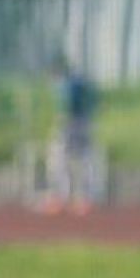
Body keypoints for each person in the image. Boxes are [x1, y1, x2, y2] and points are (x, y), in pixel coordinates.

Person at [41, 55, 101, 215]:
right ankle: (85, 199)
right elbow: (95, 100)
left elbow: (67, 104)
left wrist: (63, 118)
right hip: (86, 123)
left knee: (57, 158)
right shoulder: (82, 81)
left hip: (71, 124)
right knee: (85, 159)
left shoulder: (66, 83)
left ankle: (60, 197)